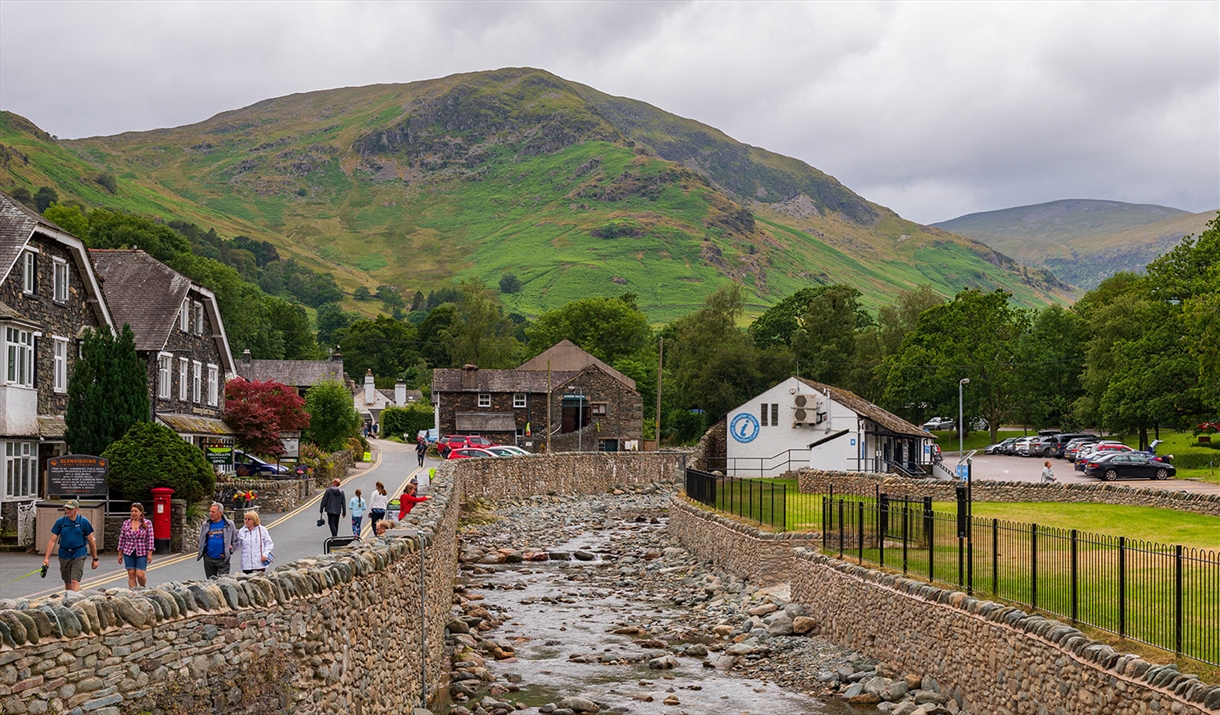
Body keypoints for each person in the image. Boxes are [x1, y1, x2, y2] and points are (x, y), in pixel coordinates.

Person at [42, 500, 98, 592]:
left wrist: (95, 558)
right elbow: (52, 541)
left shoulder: (83, 522)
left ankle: (74, 601)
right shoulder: (60, 522)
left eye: (70, 509)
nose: (68, 510)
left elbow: (91, 541)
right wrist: (46, 558)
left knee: (75, 580)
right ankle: (70, 598)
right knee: (67, 582)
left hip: (79, 553)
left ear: (77, 509)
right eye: (66, 508)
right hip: (64, 553)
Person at [116, 503, 155, 589]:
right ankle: (134, 593)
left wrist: (150, 553)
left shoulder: (147, 523)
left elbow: (150, 539)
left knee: (140, 574)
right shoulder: (126, 523)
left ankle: (142, 588)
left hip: (142, 552)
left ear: (141, 512)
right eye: (132, 511)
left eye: (136, 511)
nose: (133, 513)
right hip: (128, 551)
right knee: (131, 574)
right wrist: (120, 553)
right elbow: (122, 538)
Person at [196, 502, 239, 578]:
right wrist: (203, 552)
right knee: (211, 583)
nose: (210, 514)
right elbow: (201, 539)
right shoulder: (205, 525)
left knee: (224, 582)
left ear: (220, 513)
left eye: (213, 512)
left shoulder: (229, 524)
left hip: (223, 559)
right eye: (210, 511)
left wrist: (229, 552)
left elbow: (235, 541)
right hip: (209, 559)